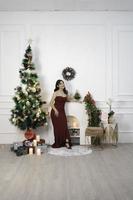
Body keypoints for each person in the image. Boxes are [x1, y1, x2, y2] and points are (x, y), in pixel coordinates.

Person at [50, 79, 72, 149]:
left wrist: (78, 101)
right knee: (57, 128)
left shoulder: (65, 93)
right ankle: (58, 142)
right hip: (55, 112)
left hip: (62, 112)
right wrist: (55, 110)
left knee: (64, 127)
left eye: (63, 83)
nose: (62, 85)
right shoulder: (55, 93)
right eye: (60, 84)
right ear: (57, 85)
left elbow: (69, 99)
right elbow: (50, 103)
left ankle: (66, 142)